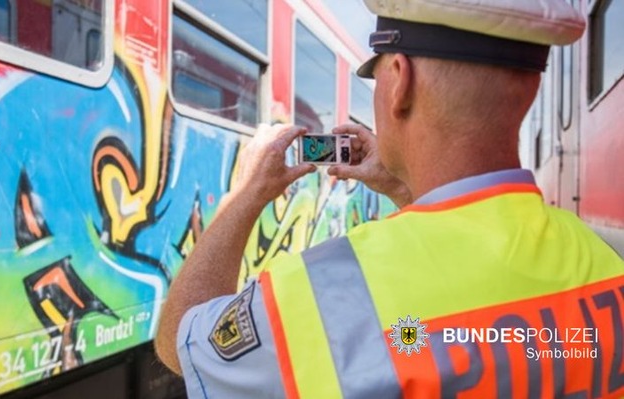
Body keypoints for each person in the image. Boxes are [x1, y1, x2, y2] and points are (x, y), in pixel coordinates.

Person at [156, 0, 624, 397]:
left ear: (400, 80)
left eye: (375, 73)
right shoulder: (604, 264)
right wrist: (405, 186)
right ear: (531, 86)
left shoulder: (324, 294)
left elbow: (181, 343)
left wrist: (245, 194)